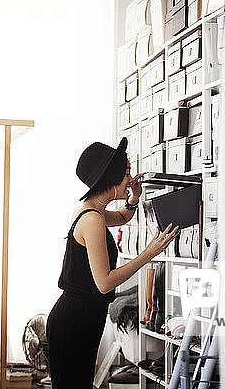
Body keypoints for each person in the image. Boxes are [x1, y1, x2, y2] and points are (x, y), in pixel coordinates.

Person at [46, 137, 179, 388]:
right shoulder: (92, 220)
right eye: (127, 172)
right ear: (111, 176)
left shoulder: (91, 210)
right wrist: (149, 253)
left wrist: (134, 199)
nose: (130, 178)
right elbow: (105, 283)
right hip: (75, 319)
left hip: (79, 314)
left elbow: (121, 217)